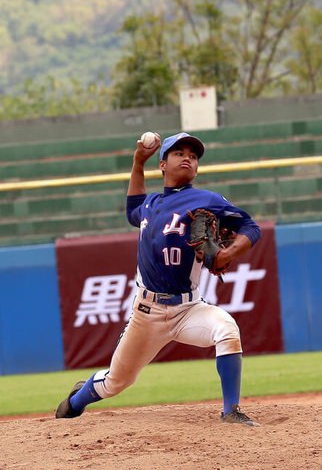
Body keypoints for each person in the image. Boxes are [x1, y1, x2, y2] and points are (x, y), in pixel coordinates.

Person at [56, 131, 262, 425]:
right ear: (162, 164)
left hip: (189, 309)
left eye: (193, 156)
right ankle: (74, 403)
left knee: (227, 330)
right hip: (146, 314)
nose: (188, 159)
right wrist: (138, 162)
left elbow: (250, 226)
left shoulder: (207, 200)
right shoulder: (150, 205)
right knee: (116, 382)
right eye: (179, 153)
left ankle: (231, 411)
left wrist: (228, 254)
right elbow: (132, 209)